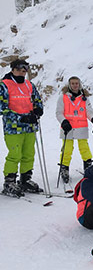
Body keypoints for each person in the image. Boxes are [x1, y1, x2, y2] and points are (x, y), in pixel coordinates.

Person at [0, 59, 44, 197]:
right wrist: (21, 118)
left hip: (29, 127)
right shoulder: (4, 85)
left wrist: (38, 110)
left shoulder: (29, 85)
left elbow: (37, 100)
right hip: (13, 128)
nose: (21, 73)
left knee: (28, 154)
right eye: (18, 70)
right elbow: (2, 107)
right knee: (15, 154)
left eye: (24, 71)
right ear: (12, 69)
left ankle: (25, 179)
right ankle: (9, 181)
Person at [55, 76, 93, 184]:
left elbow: (88, 111)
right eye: (72, 83)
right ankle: (64, 168)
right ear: (69, 84)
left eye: (76, 83)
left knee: (84, 148)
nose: (75, 85)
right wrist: (63, 121)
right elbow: (59, 112)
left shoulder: (84, 97)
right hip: (68, 127)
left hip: (81, 127)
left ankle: (88, 166)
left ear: (79, 84)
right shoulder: (63, 97)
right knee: (67, 149)